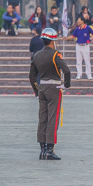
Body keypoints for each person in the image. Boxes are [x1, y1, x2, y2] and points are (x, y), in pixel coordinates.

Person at [28, 28, 71, 160]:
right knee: (52, 117)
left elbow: (32, 76)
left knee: (43, 118)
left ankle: (42, 149)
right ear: (52, 41)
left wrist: (36, 91)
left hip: (42, 87)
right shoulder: (55, 54)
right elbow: (67, 71)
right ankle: (50, 149)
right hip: (54, 87)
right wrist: (66, 85)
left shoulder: (37, 55)